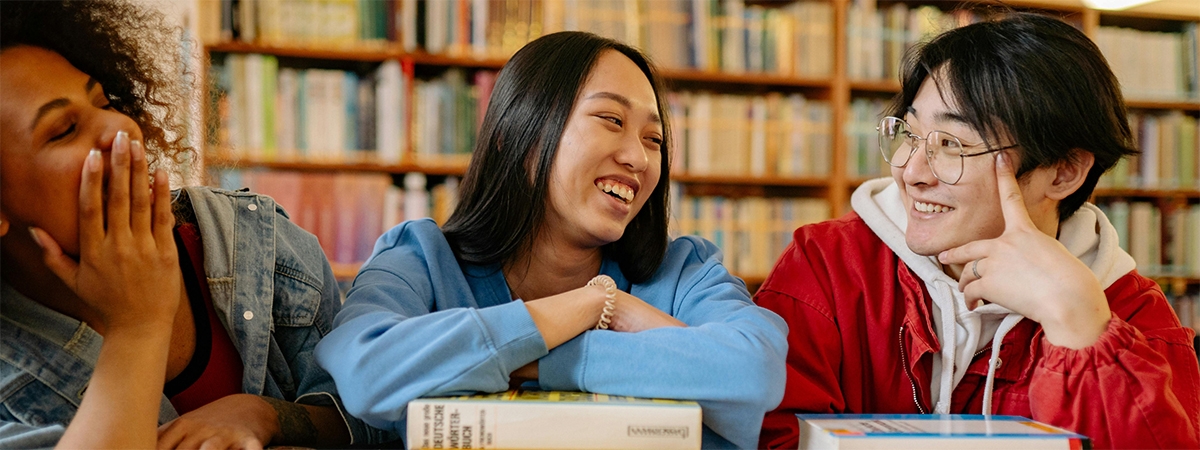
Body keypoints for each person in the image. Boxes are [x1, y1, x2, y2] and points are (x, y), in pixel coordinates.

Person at [314, 31, 788, 449]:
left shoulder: (685, 271)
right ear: (519, 135)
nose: (639, 159)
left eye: (655, 139)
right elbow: (366, 369)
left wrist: (548, 349)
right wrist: (585, 308)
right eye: (612, 119)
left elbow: (752, 370)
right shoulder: (421, 259)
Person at [754, 12, 1200, 449]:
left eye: (952, 144)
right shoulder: (829, 264)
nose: (911, 171)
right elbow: (769, 434)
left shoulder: (1132, 314)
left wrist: (1079, 325)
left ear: (1063, 171)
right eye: (909, 134)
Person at [0, 1, 388, 448]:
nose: (119, 128)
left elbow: (376, 423)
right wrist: (137, 326)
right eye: (64, 130)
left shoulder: (262, 244)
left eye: (104, 100)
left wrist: (265, 414)